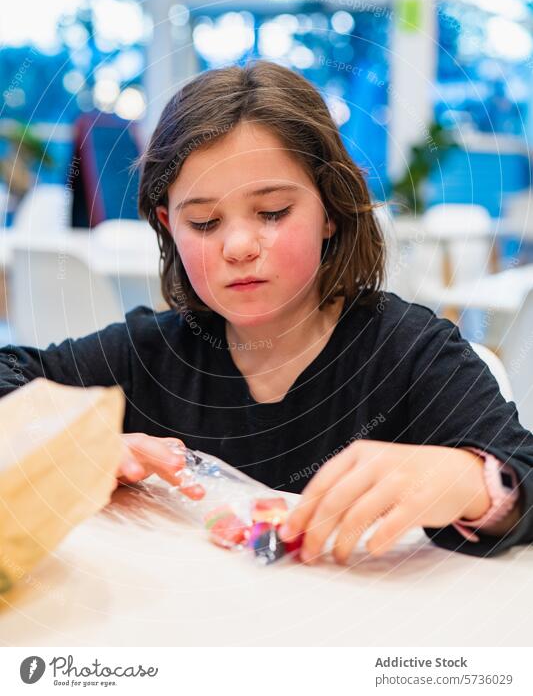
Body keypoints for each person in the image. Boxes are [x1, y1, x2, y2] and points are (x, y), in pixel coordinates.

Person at [1, 61, 532, 565]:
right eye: (204, 222)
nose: (238, 246)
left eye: (273, 212)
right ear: (168, 227)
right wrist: (77, 440)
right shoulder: (150, 354)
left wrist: (469, 479)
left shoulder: (410, 353)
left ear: (330, 209)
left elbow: (522, 471)